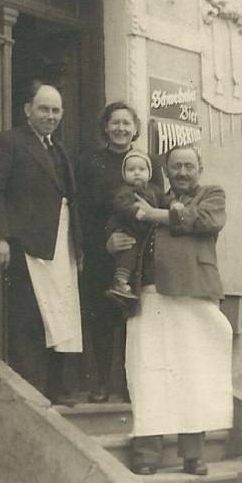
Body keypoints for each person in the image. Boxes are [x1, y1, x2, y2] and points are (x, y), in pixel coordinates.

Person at [118, 144, 233, 476]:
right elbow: (126, 224)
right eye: (176, 167)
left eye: (189, 166)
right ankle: (147, 452)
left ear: (200, 168)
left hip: (194, 293)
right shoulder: (152, 196)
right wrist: (112, 238)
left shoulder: (212, 195)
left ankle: (193, 454)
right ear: (165, 171)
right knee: (148, 371)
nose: (183, 172)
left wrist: (157, 216)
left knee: (192, 373)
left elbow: (206, 220)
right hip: (151, 293)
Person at [0, 83, 82, 407]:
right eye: (44, 109)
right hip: (27, 245)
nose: (50, 116)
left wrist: (77, 246)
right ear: (28, 110)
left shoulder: (59, 150)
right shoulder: (9, 142)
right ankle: (33, 391)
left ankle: (56, 388)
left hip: (58, 246)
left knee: (61, 317)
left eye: (56, 111)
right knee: (31, 319)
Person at [76, 102, 164, 403]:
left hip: (138, 250)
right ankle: (100, 382)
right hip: (105, 250)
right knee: (101, 316)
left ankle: (130, 384)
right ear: (105, 126)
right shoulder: (91, 162)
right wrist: (104, 241)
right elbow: (83, 210)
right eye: (115, 123)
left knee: (134, 317)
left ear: (135, 128)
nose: (121, 129)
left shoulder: (149, 162)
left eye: (127, 123)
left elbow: (157, 206)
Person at [104, 149, 167, 306]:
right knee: (129, 252)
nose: (137, 173)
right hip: (129, 228)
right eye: (131, 170)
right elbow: (121, 205)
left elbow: (165, 202)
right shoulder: (125, 191)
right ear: (124, 174)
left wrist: (173, 206)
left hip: (145, 234)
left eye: (141, 169)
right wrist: (135, 211)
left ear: (149, 173)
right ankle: (120, 281)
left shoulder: (155, 191)